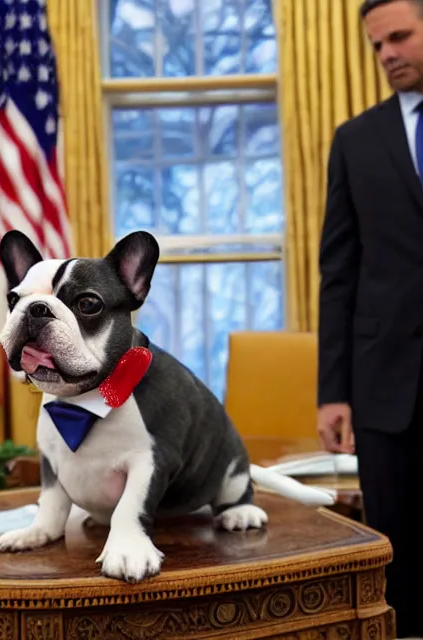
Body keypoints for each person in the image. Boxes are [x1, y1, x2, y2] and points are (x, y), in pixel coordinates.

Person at [317, 0, 423, 636]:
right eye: (377, 46)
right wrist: (333, 392)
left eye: (400, 38)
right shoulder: (356, 140)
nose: (387, 54)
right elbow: (340, 272)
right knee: (400, 565)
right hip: (387, 389)